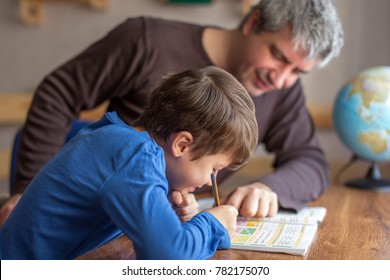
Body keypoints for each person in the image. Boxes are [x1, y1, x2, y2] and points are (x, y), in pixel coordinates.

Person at [0, 0, 344, 225]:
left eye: (298, 71)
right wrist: (28, 191)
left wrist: (270, 187)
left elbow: (310, 161)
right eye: (279, 56)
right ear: (253, 22)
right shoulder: (145, 40)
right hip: (101, 219)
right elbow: (58, 93)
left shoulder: (281, 90)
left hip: (167, 222)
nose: (282, 79)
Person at [0, 66, 258, 259]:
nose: (207, 181)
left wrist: (168, 211)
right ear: (181, 144)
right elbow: (168, 260)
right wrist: (211, 224)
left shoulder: (121, 140)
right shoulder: (136, 157)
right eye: (214, 171)